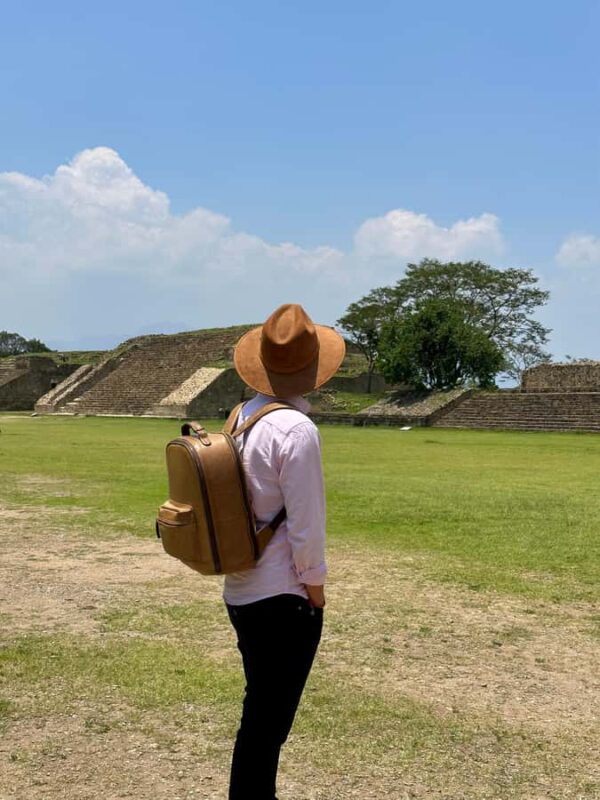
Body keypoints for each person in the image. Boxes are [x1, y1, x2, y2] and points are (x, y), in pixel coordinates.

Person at [223, 303, 346, 800]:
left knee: (261, 709)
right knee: (268, 721)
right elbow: (306, 524)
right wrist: (314, 591)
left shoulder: (242, 415)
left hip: (242, 585)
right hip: (283, 596)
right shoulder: (296, 430)